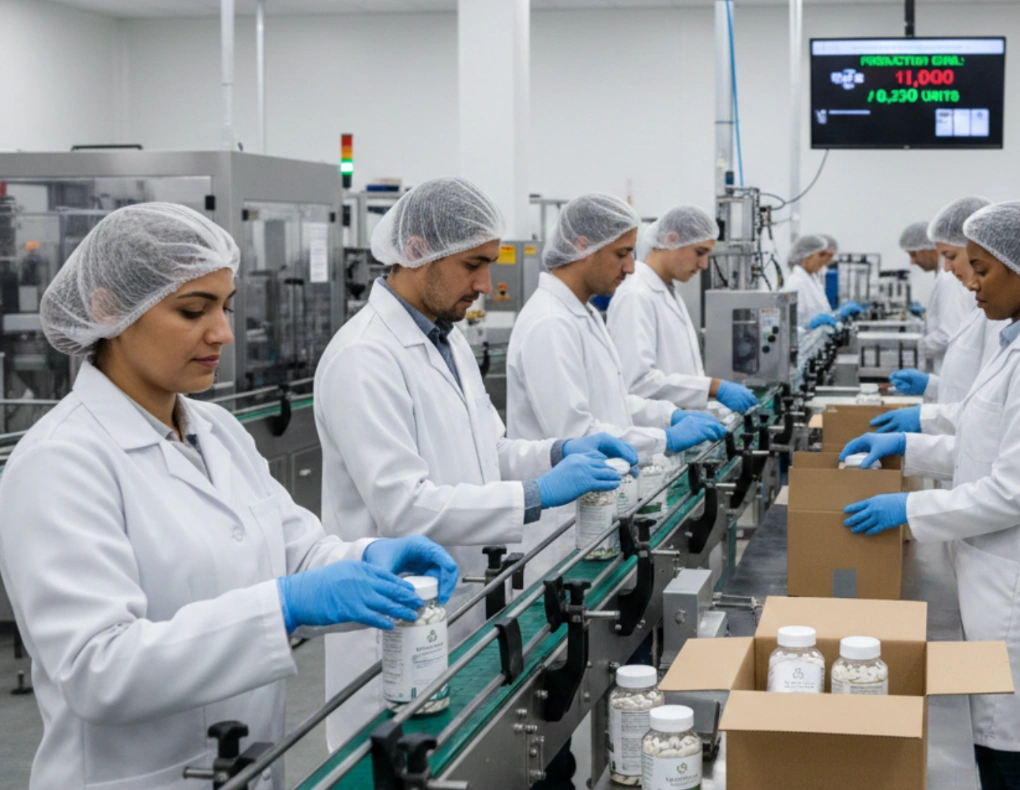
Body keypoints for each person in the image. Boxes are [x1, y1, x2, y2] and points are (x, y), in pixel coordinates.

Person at [0, 204, 459, 790]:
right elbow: (96, 669)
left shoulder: (218, 431)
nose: (221, 332)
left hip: (250, 767)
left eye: (225, 306)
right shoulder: (59, 462)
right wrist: (284, 607)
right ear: (108, 310)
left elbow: (296, 554)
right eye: (193, 310)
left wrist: (364, 559)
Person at [314, 177, 638, 749]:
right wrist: (537, 495)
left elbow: (493, 451)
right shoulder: (365, 356)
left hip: (467, 613)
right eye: (473, 265)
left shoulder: (448, 340)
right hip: (396, 638)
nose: (486, 285)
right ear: (417, 251)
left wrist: (556, 453)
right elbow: (404, 506)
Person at [841, 201, 1020, 790]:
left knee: (1018, 756)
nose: (969, 283)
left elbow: (1014, 491)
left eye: (981, 268)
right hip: (993, 574)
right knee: (995, 749)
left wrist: (909, 508)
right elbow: (985, 446)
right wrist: (910, 445)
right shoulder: (1019, 343)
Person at [507, 193, 727, 459]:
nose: (631, 268)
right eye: (622, 254)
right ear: (582, 246)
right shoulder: (550, 323)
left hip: (605, 490)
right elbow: (576, 433)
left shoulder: (583, 314)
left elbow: (612, 403)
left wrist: (669, 415)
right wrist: (663, 439)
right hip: (572, 498)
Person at [606, 204, 759, 414]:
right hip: (658, 436)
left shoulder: (668, 291)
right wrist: (712, 387)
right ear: (671, 240)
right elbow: (636, 383)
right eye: (700, 252)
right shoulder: (636, 295)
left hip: (680, 430)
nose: (704, 264)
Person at [875, 197, 1005, 437]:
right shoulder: (980, 306)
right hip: (954, 422)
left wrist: (913, 349)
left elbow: (988, 409)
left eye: (951, 256)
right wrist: (931, 385)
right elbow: (964, 381)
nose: (947, 268)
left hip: (962, 430)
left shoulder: (957, 286)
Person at [900, 219, 975, 375]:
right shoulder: (945, 276)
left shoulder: (948, 277)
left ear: (931, 248)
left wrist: (911, 347)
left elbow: (948, 335)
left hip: (948, 371)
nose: (912, 261)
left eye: (914, 254)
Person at [781, 234, 861, 329]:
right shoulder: (795, 283)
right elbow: (789, 329)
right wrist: (810, 327)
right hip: (806, 342)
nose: (826, 261)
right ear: (806, 255)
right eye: (821, 255)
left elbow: (821, 314)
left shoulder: (814, 281)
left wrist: (837, 316)